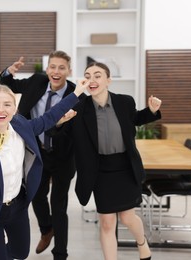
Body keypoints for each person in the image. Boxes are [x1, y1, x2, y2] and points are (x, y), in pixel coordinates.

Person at [0, 83, 86, 260]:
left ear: (15, 109)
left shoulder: (21, 126)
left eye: (7, 104)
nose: (1, 110)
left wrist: (77, 92)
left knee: (21, 252)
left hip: (17, 206)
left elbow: (49, 117)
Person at [57, 62, 160, 260]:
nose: (92, 80)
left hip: (125, 168)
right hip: (99, 171)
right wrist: (60, 121)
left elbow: (136, 118)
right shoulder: (78, 108)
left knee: (128, 217)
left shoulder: (125, 102)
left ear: (108, 80)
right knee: (106, 222)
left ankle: (142, 242)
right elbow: (61, 137)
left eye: (97, 75)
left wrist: (152, 110)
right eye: (87, 76)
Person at [0, 50, 85, 259]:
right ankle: (46, 230)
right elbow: (10, 84)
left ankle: (60, 253)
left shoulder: (76, 94)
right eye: (53, 67)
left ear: (69, 71)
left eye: (61, 68)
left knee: (59, 204)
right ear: (47, 69)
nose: (56, 72)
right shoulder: (36, 82)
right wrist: (8, 72)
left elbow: (67, 131)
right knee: (35, 195)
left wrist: (58, 124)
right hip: (37, 152)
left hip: (63, 155)